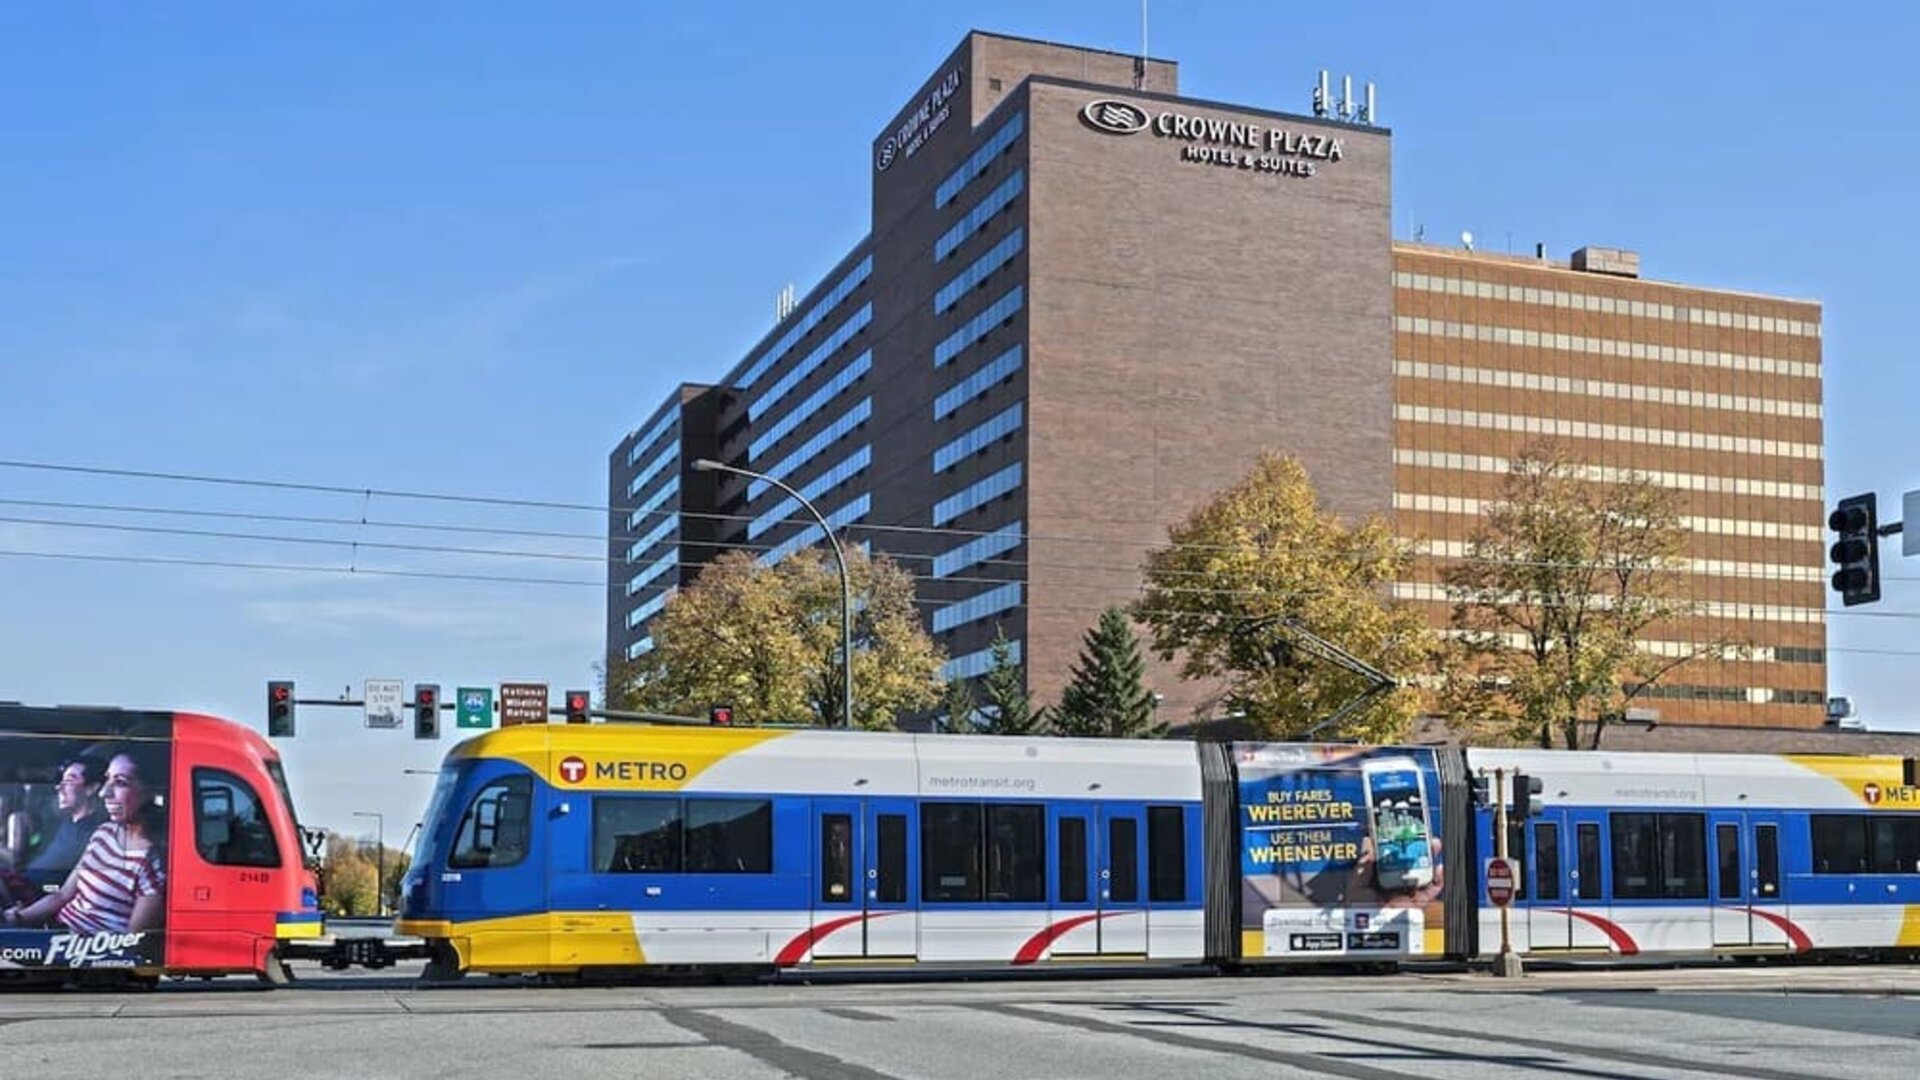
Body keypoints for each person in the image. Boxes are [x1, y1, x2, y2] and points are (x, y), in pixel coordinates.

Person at [0, 751, 165, 934]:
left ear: (149, 791)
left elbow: (132, 944)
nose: (104, 792)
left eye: (120, 783)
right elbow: (62, 896)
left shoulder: (150, 865)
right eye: (107, 780)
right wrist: (16, 918)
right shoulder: (104, 832)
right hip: (53, 931)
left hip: (80, 952)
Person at [25, 759, 106, 884]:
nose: (59, 787)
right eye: (61, 781)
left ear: (91, 788)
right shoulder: (63, 822)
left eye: (68, 781)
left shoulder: (98, 834)